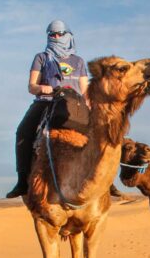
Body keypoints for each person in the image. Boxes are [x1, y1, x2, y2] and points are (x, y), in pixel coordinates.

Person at [6, 20, 89, 199]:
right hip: (46, 101)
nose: (56, 37)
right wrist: (41, 88)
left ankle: (106, 182)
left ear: (68, 35)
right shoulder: (41, 58)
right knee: (23, 132)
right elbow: (31, 86)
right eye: (52, 34)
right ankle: (22, 180)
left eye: (60, 34)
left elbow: (85, 90)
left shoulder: (78, 61)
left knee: (101, 132)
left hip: (73, 104)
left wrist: (90, 105)